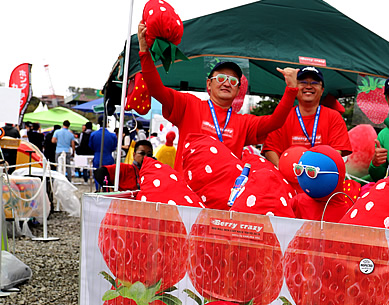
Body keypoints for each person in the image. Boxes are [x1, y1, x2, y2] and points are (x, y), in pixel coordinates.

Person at [137, 20, 299, 174]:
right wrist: (144, 52)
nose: (227, 83)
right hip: (188, 196)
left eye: (233, 81)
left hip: (223, 198)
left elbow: (275, 122)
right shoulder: (188, 105)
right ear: (209, 84)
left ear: (238, 90)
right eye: (221, 78)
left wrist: (291, 89)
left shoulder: (243, 123)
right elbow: (156, 89)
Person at [262, 66, 351, 166]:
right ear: (296, 87)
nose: (308, 86)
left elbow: (337, 151)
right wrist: (282, 169)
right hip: (287, 177)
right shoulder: (283, 116)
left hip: (321, 176)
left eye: (315, 83)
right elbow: (270, 149)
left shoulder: (334, 117)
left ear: (322, 90)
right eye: (303, 82)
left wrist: (319, 172)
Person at [90, 121, 118, 191]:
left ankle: (98, 189)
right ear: (107, 123)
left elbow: (91, 146)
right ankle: (107, 190)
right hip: (108, 157)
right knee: (108, 175)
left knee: (97, 174)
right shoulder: (112, 135)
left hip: (97, 156)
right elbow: (114, 147)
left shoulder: (93, 134)